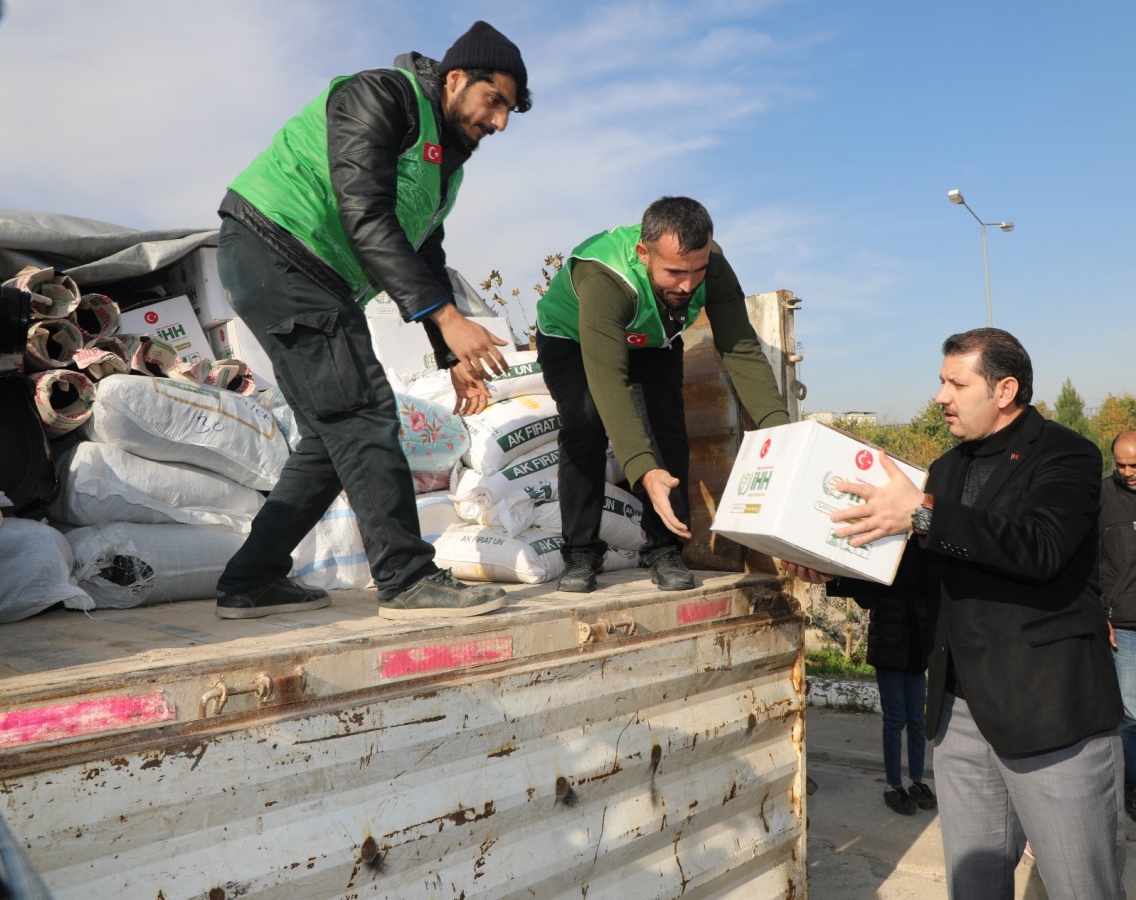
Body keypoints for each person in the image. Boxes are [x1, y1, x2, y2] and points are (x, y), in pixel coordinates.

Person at [785, 328, 1124, 900]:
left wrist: (920, 515)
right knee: (973, 886)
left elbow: (1038, 547)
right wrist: (835, 571)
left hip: (1047, 711)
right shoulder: (942, 470)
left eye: (955, 382)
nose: (940, 395)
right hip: (959, 714)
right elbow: (920, 577)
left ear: (1004, 389)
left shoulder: (1067, 453)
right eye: (941, 380)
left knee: (1079, 886)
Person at [212, 21, 532, 621]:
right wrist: (445, 318)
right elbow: (365, 215)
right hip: (279, 251)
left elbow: (423, 254)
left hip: (305, 271)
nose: (500, 122)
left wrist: (451, 351)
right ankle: (407, 578)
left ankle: (251, 579)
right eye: (496, 102)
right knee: (364, 415)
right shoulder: (380, 96)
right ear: (457, 78)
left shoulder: (445, 167)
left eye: (510, 111)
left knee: (334, 439)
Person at [535, 196, 789, 593]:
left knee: (668, 428)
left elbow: (740, 350)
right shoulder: (606, 277)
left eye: (697, 271)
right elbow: (608, 383)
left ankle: (664, 549)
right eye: (674, 272)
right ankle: (581, 551)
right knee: (585, 421)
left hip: (652, 338)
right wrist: (642, 468)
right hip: (572, 337)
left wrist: (783, 434)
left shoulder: (714, 268)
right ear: (643, 252)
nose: (688, 284)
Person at [852, 591, 937, 815]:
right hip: (888, 656)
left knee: (918, 722)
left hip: (916, 657)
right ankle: (893, 785)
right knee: (895, 721)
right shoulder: (885, 567)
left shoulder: (919, 565)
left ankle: (916, 781)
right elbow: (864, 597)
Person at [1103, 429, 1136, 820]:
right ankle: (1128, 786)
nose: (1127, 472)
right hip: (1124, 624)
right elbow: (1090, 560)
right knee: (1131, 714)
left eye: (1134, 465)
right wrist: (1101, 611)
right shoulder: (1103, 497)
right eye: (1121, 465)